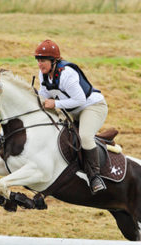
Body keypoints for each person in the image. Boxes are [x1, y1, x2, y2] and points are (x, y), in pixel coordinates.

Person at [34, 39, 108, 194]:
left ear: (54, 61)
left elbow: (80, 100)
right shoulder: (43, 75)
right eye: (38, 60)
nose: (40, 64)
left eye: (44, 61)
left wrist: (55, 104)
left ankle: (95, 177)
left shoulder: (67, 74)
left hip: (92, 107)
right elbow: (43, 96)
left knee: (85, 137)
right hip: (73, 111)